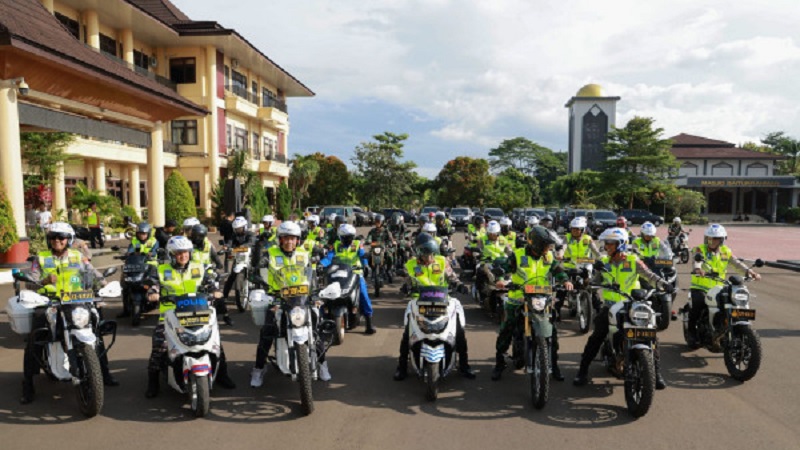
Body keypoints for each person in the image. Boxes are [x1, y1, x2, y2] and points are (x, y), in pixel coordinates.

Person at [20, 222, 118, 404]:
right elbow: (29, 282)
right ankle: (28, 386)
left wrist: (104, 287)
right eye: (53, 237)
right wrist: (45, 279)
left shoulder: (77, 256)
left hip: (76, 302)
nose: (57, 240)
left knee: (96, 332)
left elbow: (92, 274)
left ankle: (104, 374)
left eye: (61, 237)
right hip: (50, 303)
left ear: (68, 239)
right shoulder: (40, 259)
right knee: (35, 340)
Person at [573, 227, 673, 390]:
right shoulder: (604, 263)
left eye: (611, 244)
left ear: (620, 244)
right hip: (611, 307)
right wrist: (584, 282)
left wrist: (664, 284)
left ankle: (656, 373)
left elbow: (650, 276)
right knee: (597, 335)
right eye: (606, 244)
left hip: (633, 305)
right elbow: (593, 282)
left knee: (650, 335)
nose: (607, 247)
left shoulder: (633, 260)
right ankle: (582, 371)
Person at [144, 236, 235, 397]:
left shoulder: (199, 268)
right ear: (171, 254)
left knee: (215, 344)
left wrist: (216, 290)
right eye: (179, 253)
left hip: (198, 312)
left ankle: (222, 375)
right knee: (159, 346)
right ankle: (153, 382)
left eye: (185, 252)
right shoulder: (161, 269)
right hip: (170, 314)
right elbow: (153, 285)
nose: (183, 255)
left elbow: (211, 283)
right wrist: (153, 293)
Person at [250, 222, 331, 386]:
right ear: (280, 239)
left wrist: (315, 295)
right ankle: (258, 369)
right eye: (286, 238)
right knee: (267, 333)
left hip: (302, 299)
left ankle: (323, 364)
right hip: (278, 300)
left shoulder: (303, 254)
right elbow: (256, 273)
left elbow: (312, 277)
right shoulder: (269, 254)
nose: (289, 242)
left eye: (293, 238)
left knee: (315, 330)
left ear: (298, 240)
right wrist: (262, 284)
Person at [492, 226, 572, 381]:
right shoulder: (518, 255)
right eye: (545, 245)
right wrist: (500, 280)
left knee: (552, 333)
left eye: (549, 246)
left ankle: (553, 364)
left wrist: (566, 280)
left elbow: (558, 270)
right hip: (518, 297)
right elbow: (505, 268)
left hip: (541, 298)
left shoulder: (548, 256)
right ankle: (500, 362)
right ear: (536, 244)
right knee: (507, 327)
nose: (548, 248)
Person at [394, 233, 475, 381]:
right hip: (419, 302)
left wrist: (460, 285)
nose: (430, 258)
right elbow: (407, 280)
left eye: (432, 254)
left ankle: (464, 365)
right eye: (427, 255)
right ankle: (402, 367)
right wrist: (405, 287)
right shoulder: (411, 265)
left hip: (443, 300)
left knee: (459, 330)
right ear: (419, 253)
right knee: (407, 334)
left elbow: (452, 277)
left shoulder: (442, 261)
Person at [686, 224, 761, 348]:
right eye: (710, 238)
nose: (711, 241)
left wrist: (750, 272)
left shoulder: (725, 251)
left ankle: (725, 329)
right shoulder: (700, 249)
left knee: (734, 302)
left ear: (721, 240)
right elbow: (696, 260)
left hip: (720, 287)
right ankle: (691, 333)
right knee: (697, 306)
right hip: (701, 287)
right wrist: (698, 269)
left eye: (715, 239)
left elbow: (736, 264)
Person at [319, 224, 377, 334]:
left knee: (364, 295)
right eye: (345, 237)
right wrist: (321, 264)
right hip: (337, 272)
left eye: (350, 237)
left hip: (355, 273)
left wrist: (365, 265)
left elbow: (362, 255)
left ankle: (369, 323)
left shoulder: (357, 244)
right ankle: (324, 319)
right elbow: (329, 258)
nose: (348, 240)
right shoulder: (335, 245)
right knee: (325, 293)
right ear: (340, 237)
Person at [220, 216, 255, 324]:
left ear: (244, 227)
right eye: (236, 229)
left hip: (249, 256)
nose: (238, 231)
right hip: (239, 257)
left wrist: (242, 246)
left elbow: (251, 242)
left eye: (239, 229)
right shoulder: (233, 235)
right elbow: (229, 242)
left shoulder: (250, 234)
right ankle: (224, 296)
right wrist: (226, 247)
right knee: (232, 276)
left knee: (258, 269)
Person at [475, 220, 512, 301]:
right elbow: (477, 249)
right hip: (487, 262)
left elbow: (509, 250)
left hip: (501, 262)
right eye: (490, 234)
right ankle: (481, 293)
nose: (492, 235)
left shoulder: (503, 239)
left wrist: (512, 254)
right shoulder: (482, 239)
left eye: (494, 234)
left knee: (512, 272)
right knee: (480, 271)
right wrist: (478, 254)